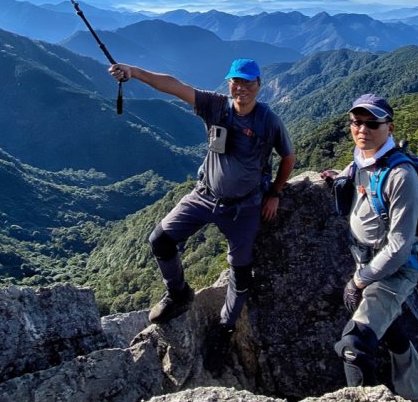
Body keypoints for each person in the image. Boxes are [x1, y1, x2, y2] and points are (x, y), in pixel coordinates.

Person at [108, 57, 295, 373]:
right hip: (204, 195)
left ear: (259, 86)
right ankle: (178, 292)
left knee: (241, 271)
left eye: (249, 82)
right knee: (161, 240)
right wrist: (135, 72)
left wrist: (275, 193)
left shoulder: (268, 121)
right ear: (229, 83)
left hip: (245, 206)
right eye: (236, 81)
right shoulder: (216, 106)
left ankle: (225, 329)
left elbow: (288, 157)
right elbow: (174, 86)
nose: (242, 88)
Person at [320, 93, 418, 402]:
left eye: (373, 123)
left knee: (355, 346)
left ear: (390, 127)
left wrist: (359, 280)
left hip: (394, 272)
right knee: (385, 326)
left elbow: (399, 246)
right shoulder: (362, 159)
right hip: (367, 261)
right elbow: (359, 181)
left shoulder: (401, 176)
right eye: (357, 122)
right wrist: (338, 178)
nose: (363, 129)